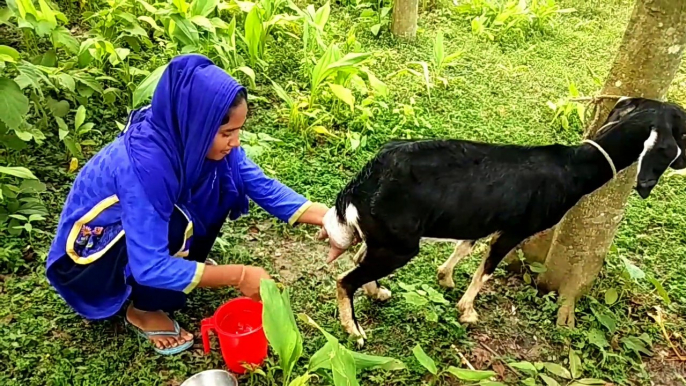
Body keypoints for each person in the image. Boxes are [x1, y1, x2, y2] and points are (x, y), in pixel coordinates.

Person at [45, 54, 329, 355]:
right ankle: (143, 310)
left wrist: (332, 218)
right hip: (89, 260)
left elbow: (260, 185)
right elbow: (151, 266)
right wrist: (240, 275)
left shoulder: (187, 138)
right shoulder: (144, 169)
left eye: (238, 130)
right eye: (226, 133)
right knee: (179, 223)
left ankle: (183, 268)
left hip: (140, 229)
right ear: (197, 125)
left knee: (219, 186)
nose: (235, 142)